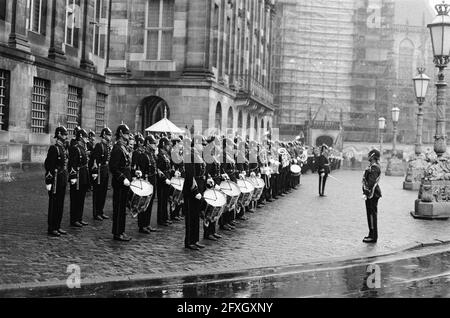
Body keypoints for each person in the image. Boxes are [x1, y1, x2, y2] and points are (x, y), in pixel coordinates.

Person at [109, 124, 133, 241]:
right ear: (121, 134)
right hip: (120, 183)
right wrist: (123, 178)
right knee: (118, 208)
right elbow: (113, 167)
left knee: (123, 209)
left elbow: (126, 165)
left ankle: (121, 231)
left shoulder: (124, 147)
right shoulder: (117, 148)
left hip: (125, 183)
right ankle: (117, 232)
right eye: (127, 133)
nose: (128, 135)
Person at [45, 125, 69, 237]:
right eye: (64, 134)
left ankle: (58, 226)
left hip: (62, 178)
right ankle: (52, 227)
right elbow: (48, 165)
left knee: (60, 204)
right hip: (55, 180)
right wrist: (48, 181)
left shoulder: (63, 148)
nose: (66, 136)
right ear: (59, 134)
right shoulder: (54, 148)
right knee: (54, 204)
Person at [68, 128, 90, 227]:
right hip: (77, 175)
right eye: (85, 137)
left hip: (83, 175)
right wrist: (73, 176)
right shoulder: (75, 148)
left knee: (81, 198)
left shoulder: (83, 148)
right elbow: (72, 163)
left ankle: (79, 218)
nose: (87, 139)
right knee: (75, 199)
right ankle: (74, 219)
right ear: (80, 137)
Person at [91, 127, 112, 221]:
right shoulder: (99, 146)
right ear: (104, 135)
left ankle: (101, 211)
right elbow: (94, 160)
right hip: (99, 171)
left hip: (105, 170)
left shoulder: (107, 146)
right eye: (108, 135)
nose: (110, 137)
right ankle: (96, 213)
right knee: (97, 193)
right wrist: (95, 172)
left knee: (103, 192)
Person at [362, 149, 382, 243]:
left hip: (372, 194)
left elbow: (371, 182)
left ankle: (373, 236)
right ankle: (371, 233)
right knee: (369, 214)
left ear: (373, 156)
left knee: (372, 215)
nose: (368, 156)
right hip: (370, 194)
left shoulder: (374, 168)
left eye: (369, 155)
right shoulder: (372, 167)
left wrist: (366, 192)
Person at [156, 136, 173, 226]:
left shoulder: (165, 154)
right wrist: (164, 178)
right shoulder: (159, 155)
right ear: (163, 145)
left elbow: (168, 167)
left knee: (165, 200)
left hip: (167, 179)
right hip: (162, 181)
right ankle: (161, 219)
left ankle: (165, 217)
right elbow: (158, 169)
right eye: (167, 145)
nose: (168, 146)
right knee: (161, 201)